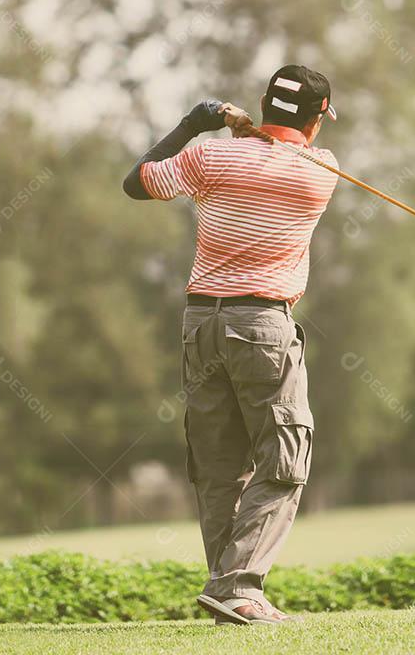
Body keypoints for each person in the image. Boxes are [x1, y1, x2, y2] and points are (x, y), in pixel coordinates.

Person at [123, 65, 339, 625]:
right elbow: (284, 149)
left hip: (201, 323)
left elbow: (137, 180)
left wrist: (199, 122)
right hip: (264, 325)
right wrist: (254, 133)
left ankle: (228, 593)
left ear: (262, 107)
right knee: (285, 459)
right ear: (317, 119)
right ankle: (239, 585)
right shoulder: (323, 169)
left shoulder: (211, 156)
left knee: (218, 468)